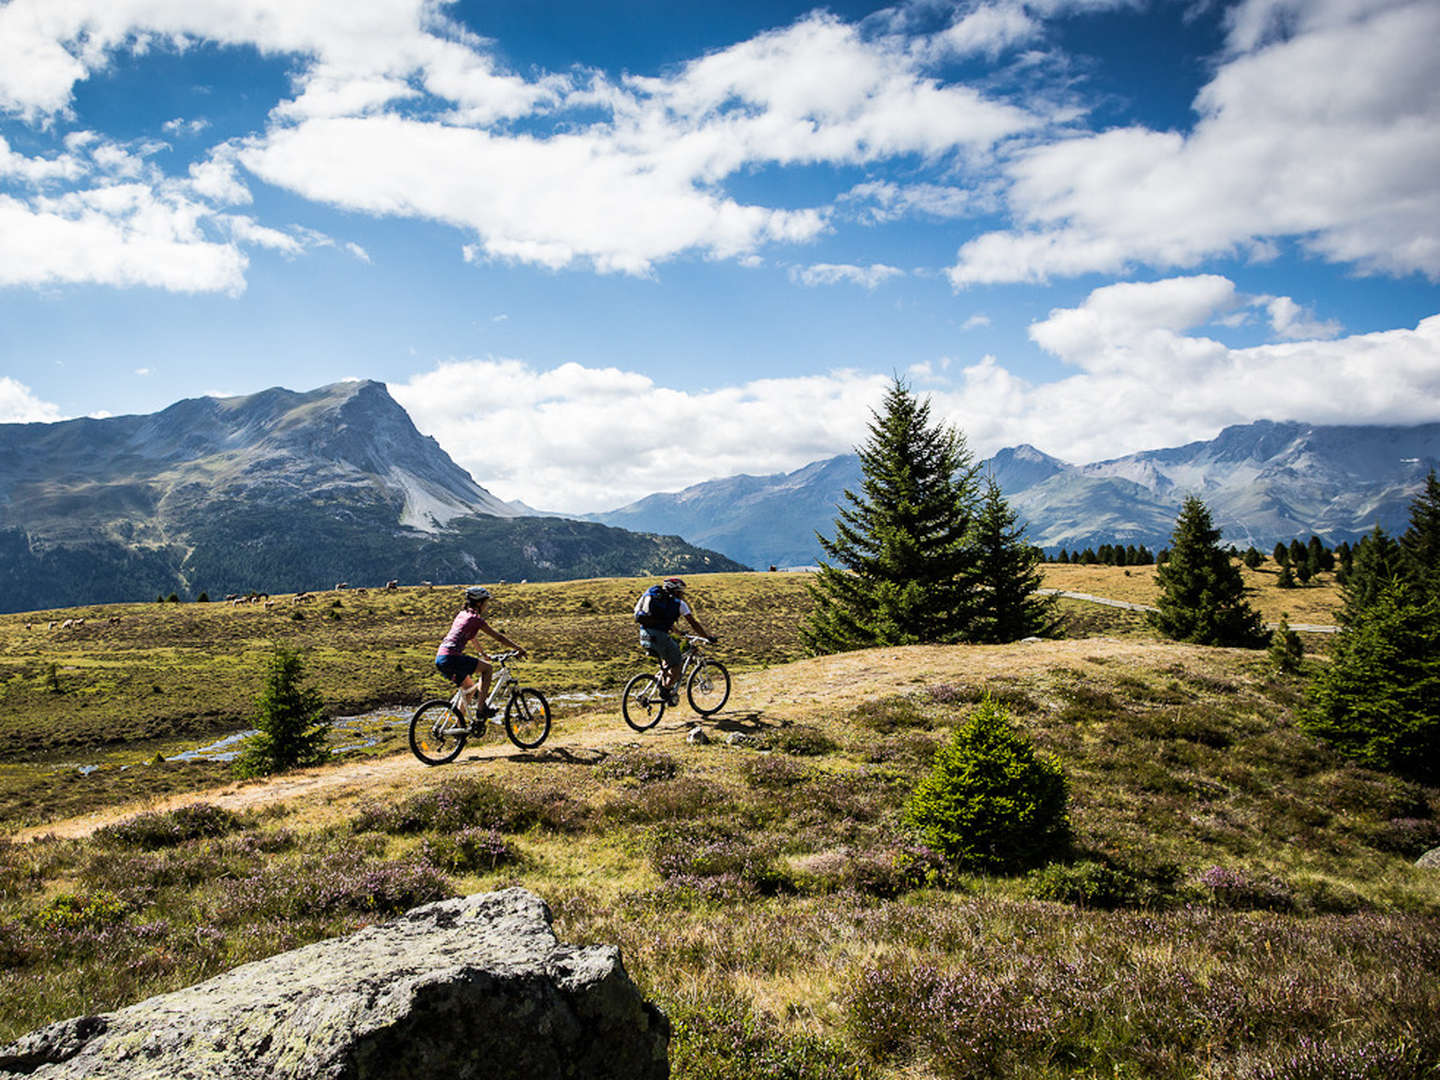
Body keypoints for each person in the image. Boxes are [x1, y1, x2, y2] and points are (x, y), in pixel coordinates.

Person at [434, 586, 527, 719]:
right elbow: (498, 637)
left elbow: (472, 637)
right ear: (479, 603)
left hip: (441, 657)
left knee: (469, 689)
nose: (486, 606)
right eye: (486, 602)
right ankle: (481, 708)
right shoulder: (475, 619)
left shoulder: (462, 615)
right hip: (452, 658)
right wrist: (519, 648)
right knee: (488, 669)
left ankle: (459, 729)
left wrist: (483, 654)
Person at [634, 576, 715, 703]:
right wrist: (707, 637)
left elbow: (663, 621)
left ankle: (662, 684)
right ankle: (665, 692)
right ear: (676, 591)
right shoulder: (678, 604)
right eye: (681, 592)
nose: (682, 595)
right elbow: (693, 623)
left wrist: (679, 633)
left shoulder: (660, 600)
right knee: (677, 663)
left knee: (668, 660)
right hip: (659, 637)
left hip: (644, 635)